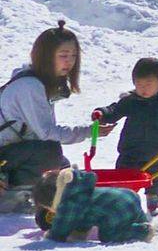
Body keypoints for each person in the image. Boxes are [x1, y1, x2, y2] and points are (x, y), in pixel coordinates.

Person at [0, 23, 91, 210]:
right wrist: (86, 132)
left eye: (73, 56)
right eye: (63, 56)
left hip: (11, 151)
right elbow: (46, 132)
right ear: (46, 57)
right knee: (50, 153)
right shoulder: (30, 86)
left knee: (63, 168)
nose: (70, 62)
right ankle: (15, 196)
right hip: (6, 153)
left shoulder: (41, 82)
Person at [92, 58, 158, 215]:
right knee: (124, 175)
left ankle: (152, 200)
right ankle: (124, 202)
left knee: (156, 175)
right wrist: (102, 114)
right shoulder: (130, 101)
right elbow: (114, 110)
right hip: (130, 149)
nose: (143, 89)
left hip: (156, 150)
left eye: (148, 85)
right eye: (139, 85)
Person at [36, 167, 151, 244]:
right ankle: (141, 222)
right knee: (131, 214)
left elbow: (61, 229)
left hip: (116, 208)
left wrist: (51, 236)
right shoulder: (79, 189)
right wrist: (79, 233)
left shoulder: (70, 203)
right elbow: (83, 218)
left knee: (109, 236)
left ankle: (142, 231)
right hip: (128, 195)